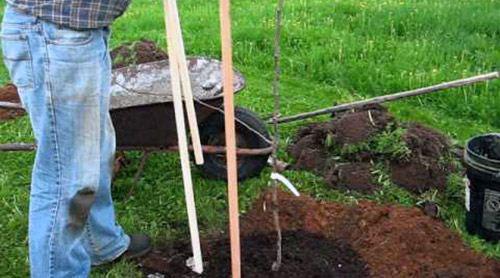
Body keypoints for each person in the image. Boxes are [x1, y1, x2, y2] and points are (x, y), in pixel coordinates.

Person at [1, 1, 151, 277]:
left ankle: (100, 243)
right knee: (66, 175)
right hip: (54, 36)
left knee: (96, 150)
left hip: (75, 34)